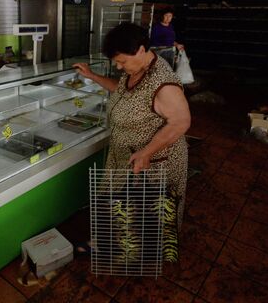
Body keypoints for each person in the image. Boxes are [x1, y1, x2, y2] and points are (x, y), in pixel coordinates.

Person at [73, 22, 190, 261]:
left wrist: (147, 151)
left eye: (122, 61)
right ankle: (108, 242)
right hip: (124, 154)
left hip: (152, 162)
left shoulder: (163, 83)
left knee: (145, 208)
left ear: (140, 49)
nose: (118, 66)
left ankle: (144, 252)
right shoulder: (136, 71)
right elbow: (120, 90)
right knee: (117, 202)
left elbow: (180, 122)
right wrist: (93, 76)